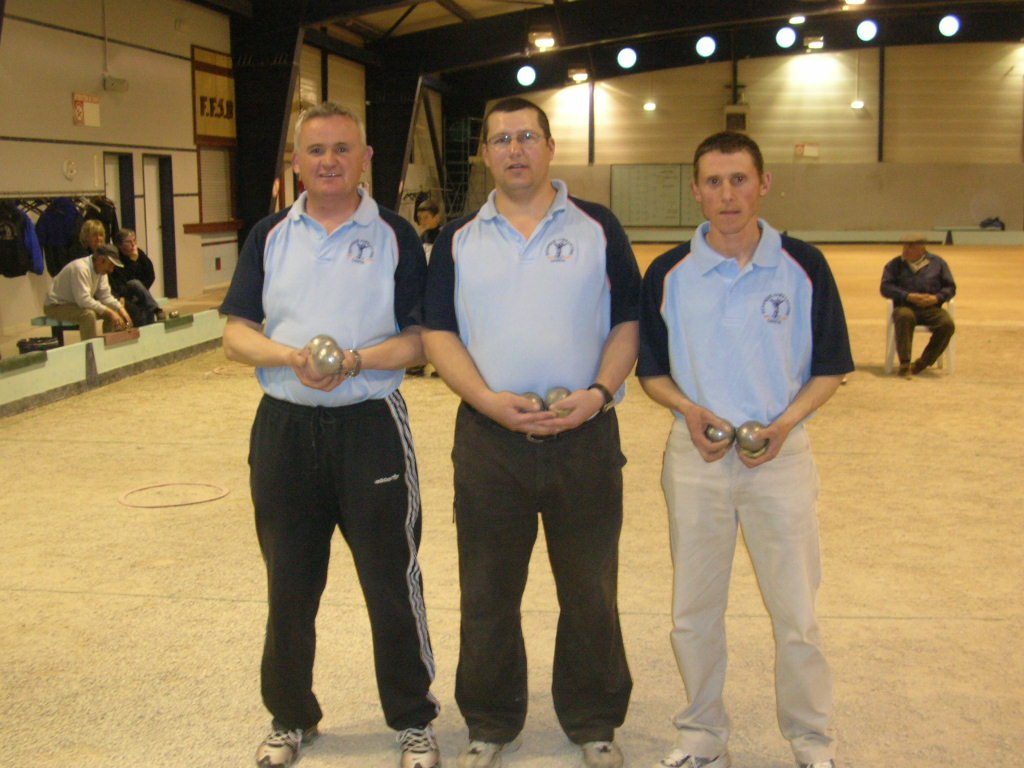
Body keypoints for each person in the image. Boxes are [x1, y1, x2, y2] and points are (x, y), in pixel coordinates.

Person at [219, 101, 441, 768]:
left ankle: (413, 718)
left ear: (366, 158)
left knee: (390, 580)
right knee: (289, 582)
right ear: (296, 161)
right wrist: (290, 357)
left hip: (370, 425)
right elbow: (235, 334)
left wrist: (353, 361)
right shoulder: (269, 235)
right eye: (316, 150)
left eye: (343, 148)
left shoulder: (396, 235)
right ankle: (290, 716)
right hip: (284, 429)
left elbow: (420, 339)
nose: (329, 161)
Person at [423, 96, 640, 768]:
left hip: (585, 438)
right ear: (484, 155)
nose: (514, 149)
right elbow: (438, 333)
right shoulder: (458, 238)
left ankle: (594, 719)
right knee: (487, 592)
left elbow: (628, 322)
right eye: (500, 139)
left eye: (526, 136)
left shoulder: (599, 227)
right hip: (490, 443)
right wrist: (487, 401)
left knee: (590, 590)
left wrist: (598, 395)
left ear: (550, 147)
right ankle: (490, 721)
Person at [637, 131, 853, 768]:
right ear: (696, 190)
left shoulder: (804, 266)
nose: (727, 194)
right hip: (695, 460)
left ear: (763, 184)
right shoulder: (669, 272)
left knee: (797, 615)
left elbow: (831, 367)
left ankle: (812, 742)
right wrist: (688, 410)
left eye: (739, 179)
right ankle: (701, 735)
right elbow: (652, 371)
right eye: (714, 181)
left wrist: (784, 424)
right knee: (693, 611)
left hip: (780, 459)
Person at [880, 234, 956, 377]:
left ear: (922, 248)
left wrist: (937, 298)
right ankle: (905, 363)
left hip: (931, 308)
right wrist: (907, 296)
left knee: (947, 325)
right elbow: (885, 287)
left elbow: (950, 287)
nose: (906, 250)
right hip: (905, 306)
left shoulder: (938, 264)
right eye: (905, 246)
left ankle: (922, 363)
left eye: (911, 246)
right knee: (904, 317)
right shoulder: (894, 265)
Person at [43, 243, 132, 339]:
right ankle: (90, 347)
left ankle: (108, 343)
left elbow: (105, 296)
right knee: (88, 315)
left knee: (113, 312)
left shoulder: (101, 272)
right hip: (56, 306)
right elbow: (83, 300)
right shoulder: (81, 268)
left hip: (76, 304)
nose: (111, 270)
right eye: (111, 265)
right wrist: (110, 312)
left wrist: (120, 309)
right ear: (101, 260)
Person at [110, 229, 167, 326]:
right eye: (128, 242)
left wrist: (141, 291)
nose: (133, 244)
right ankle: (156, 309)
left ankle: (153, 319)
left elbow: (151, 275)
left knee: (146, 307)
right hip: (123, 294)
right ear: (120, 245)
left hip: (139, 292)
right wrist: (133, 262)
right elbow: (123, 280)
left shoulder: (139, 253)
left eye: (134, 240)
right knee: (134, 283)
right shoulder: (116, 257)